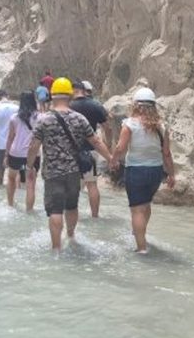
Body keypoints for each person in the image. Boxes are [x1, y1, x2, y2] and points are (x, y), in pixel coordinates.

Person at [28, 78, 113, 251]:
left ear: (52, 96)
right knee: (72, 206)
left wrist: (29, 166)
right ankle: (71, 237)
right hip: (74, 171)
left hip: (52, 172)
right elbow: (96, 141)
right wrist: (111, 158)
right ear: (69, 96)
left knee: (55, 210)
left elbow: (34, 145)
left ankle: (56, 247)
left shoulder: (44, 120)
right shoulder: (79, 118)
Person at [109, 87, 176, 254]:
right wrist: (172, 174)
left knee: (137, 209)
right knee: (145, 204)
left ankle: (141, 248)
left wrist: (113, 160)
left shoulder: (130, 124)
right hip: (156, 172)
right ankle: (141, 234)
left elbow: (120, 148)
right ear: (153, 106)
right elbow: (166, 153)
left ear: (136, 105)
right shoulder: (161, 126)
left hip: (136, 171)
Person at [70, 79, 112, 218]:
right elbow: (107, 127)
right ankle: (95, 216)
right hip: (91, 150)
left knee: (73, 186)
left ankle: (72, 215)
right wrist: (108, 144)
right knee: (92, 184)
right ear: (84, 90)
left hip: (72, 151)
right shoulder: (95, 105)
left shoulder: (68, 106)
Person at [4, 91, 40, 211]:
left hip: (16, 152)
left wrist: (6, 154)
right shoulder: (40, 117)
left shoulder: (14, 117)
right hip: (33, 153)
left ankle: (10, 204)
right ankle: (29, 210)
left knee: (11, 178)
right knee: (31, 184)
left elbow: (10, 137)